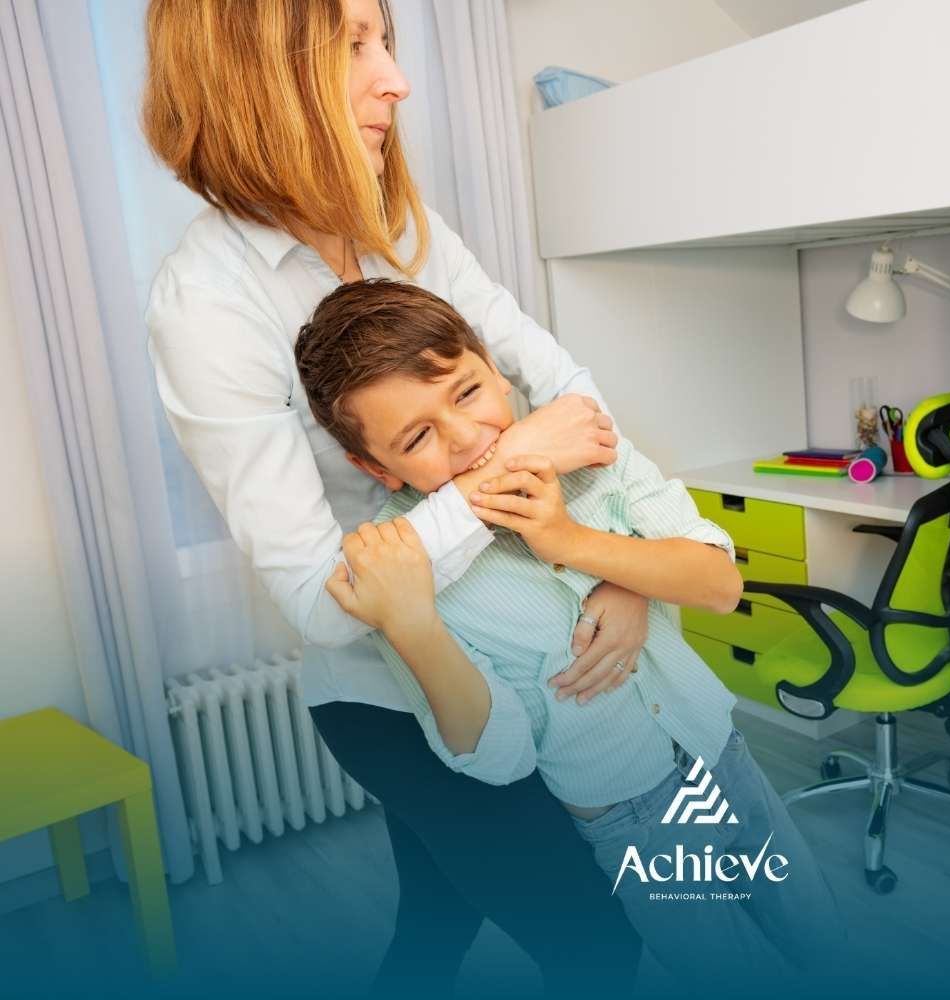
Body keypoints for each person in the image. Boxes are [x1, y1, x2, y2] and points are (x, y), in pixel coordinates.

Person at [142, 0, 642, 991]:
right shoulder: (207, 304)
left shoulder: (403, 226)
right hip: (389, 695)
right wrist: (515, 463)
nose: (394, 81)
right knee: (598, 940)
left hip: (514, 635)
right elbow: (320, 603)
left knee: (438, 912)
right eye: (353, 46)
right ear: (252, 78)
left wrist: (609, 565)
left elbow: (566, 395)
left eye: (389, 42)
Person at [294, 278, 848, 987]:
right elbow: (500, 758)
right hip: (630, 814)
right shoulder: (398, 563)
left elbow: (718, 583)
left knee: (816, 932)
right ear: (375, 467)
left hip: (717, 746)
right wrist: (413, 625)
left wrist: (572, 542)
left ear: (495, 369)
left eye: (467, 393)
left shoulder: (587, 447)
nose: (468, 440)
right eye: (418, 436)